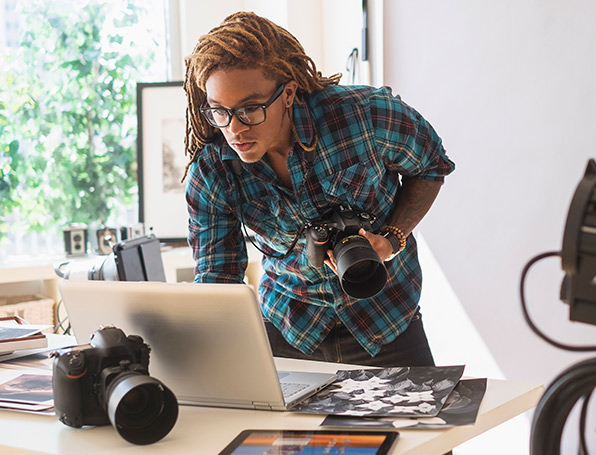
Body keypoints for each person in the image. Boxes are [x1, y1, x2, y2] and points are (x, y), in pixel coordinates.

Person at [183, 11, 455, 368]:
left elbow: (431, 165)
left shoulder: (365, 116)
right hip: (289, 328)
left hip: (386, 319)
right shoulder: (213, 169)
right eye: (220, 111)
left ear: (288, 93)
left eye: (250, 109)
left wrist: (391, 237)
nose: (234, 128)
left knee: (418, 425)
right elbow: (218, 279)